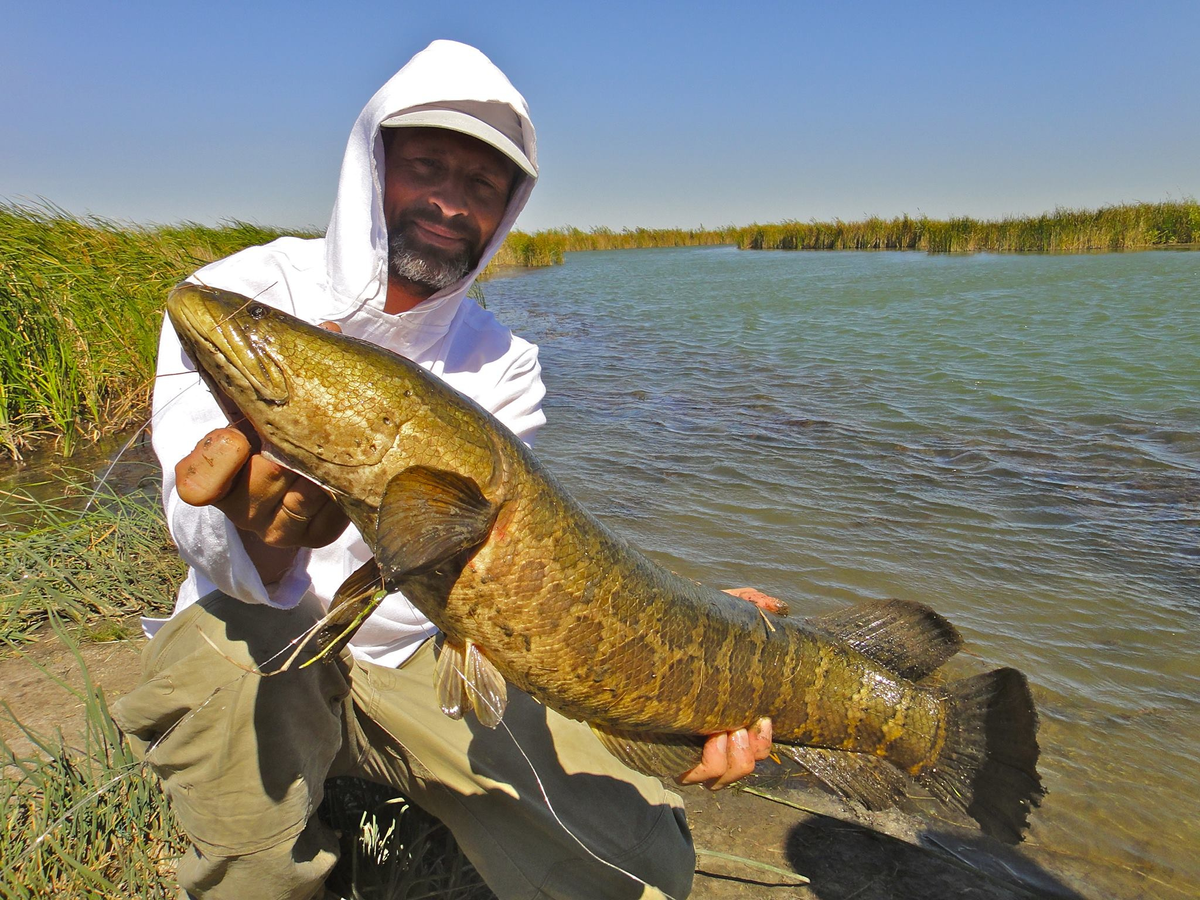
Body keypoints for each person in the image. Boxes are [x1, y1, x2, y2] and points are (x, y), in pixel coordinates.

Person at [112, 40, 770, 900]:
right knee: (251, 807)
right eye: (427, 165)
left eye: (483, 187)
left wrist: (703, 633)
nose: (450, 204)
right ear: (371, 163)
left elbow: (519, 569)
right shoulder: (245, 289)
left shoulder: (505, 362)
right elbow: (197, 521)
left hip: (420, 656)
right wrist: (259, 538)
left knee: (647, 868)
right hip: (257, 637)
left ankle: (390, 774)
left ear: (508, 210)